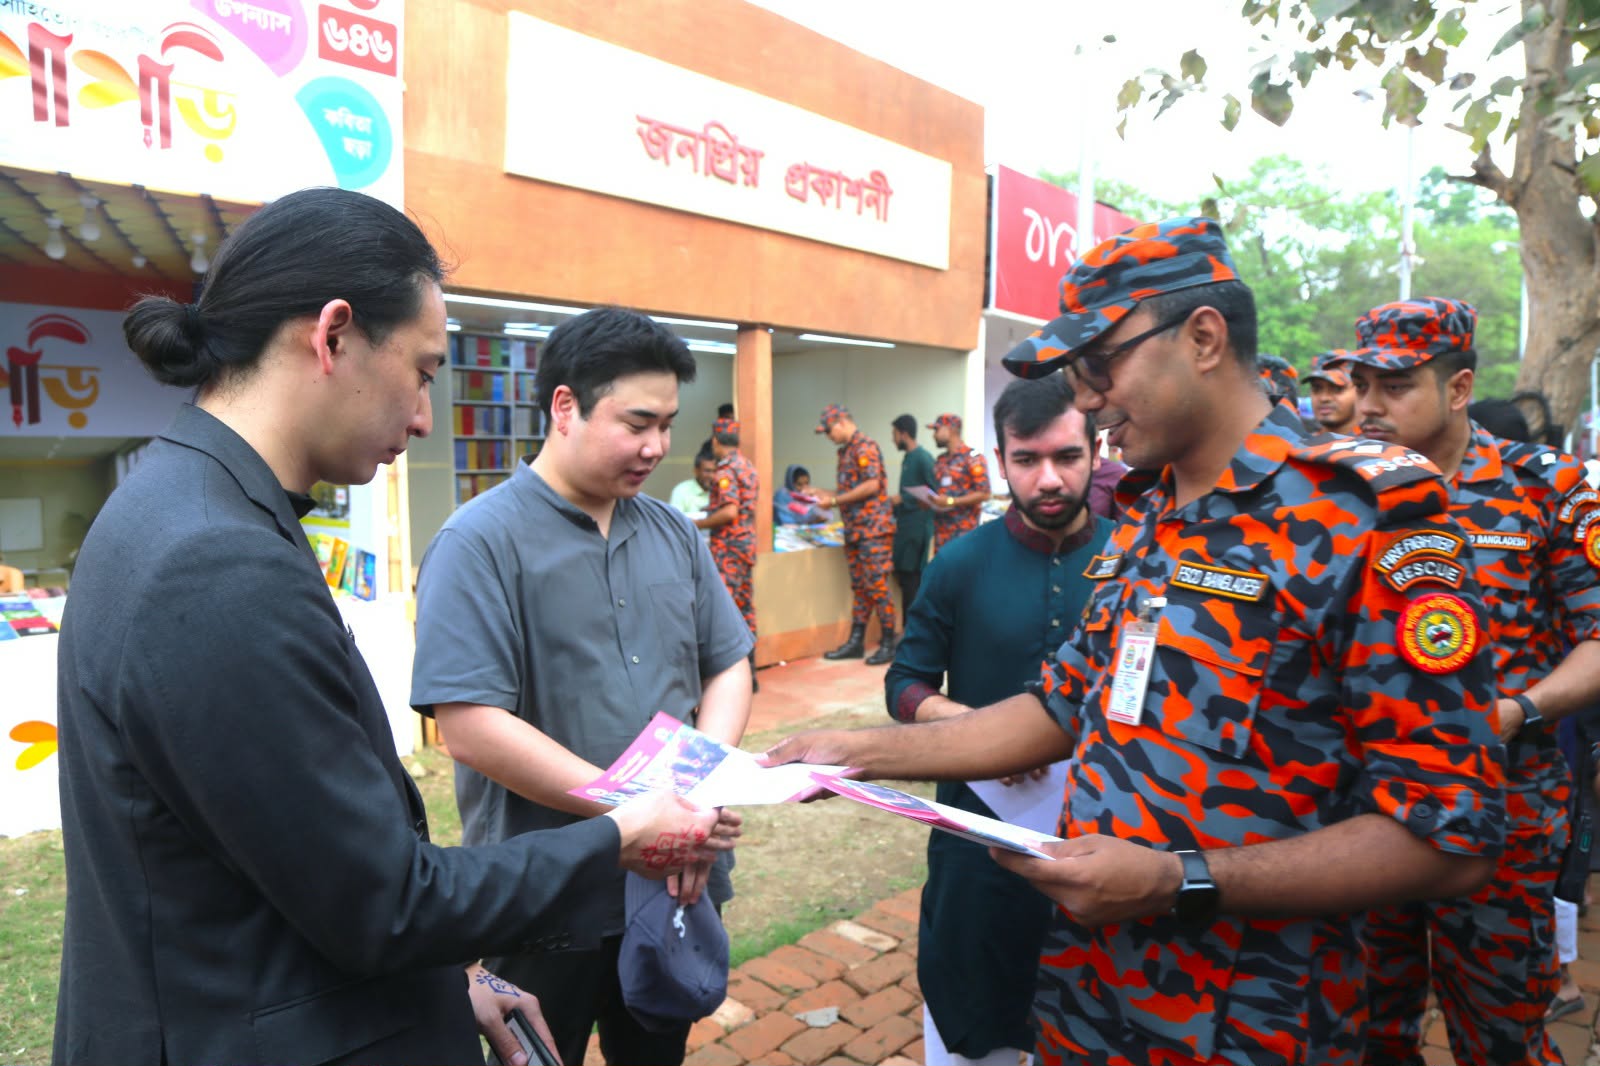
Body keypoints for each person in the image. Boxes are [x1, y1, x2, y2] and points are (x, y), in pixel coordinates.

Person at [765, 217, 1506, 1066]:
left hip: (1255, 1023)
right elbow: (1061, 705)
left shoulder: (1365, 520)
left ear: (1203, 338)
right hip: (1089, 999)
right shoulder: (1149, 516)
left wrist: (1175, 881)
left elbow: (1450, 839)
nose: (1086, 399)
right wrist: (854, 753)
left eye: (1099, 365)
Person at [52, 189, 725, 1066]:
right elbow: (388, 902)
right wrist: (620, 833)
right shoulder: (214, 560)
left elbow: (296, 856)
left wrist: (450, 982)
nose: (422, 416)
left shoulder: (186, 504)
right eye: (424, 371)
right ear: (333, 336)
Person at [411, 306, 754, 1066]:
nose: (657, 447)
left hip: (673, 887)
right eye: (637, 423)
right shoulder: (478, 542)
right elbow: (470, 725)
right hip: (546, 901)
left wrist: (694, 794)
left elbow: (728, 664)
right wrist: (636, 816)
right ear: (565, 406)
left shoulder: (673, 532)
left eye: (667, 424)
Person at [1344, 297, 1600, 1066]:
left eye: (1395, 386)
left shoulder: (1547, 487)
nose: (1369, 405)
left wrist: (1522, 709)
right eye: (1362, 384)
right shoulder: (1342, 492)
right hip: (1364, 810)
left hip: (1502, 814)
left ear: (1458, 388)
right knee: (1367, 1032)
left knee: (1501, 1037)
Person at [886, 376, 1112, 1066]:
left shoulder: (1136, 560)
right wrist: (979, 729)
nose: (1049, 479)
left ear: (1096, 451)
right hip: (978, 838)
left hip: (1108, 844)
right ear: (999, 459)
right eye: (1026, 459)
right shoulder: (960, 562)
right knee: (972, 1020)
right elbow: (905, 685)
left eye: (1067, 457)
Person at [811, 404, 898, 665]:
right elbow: (850, 491)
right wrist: (824, 493)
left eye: (829, 431)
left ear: (841, 422)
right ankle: (856, 642)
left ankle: (889, 642)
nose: (829, 437)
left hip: (873, 530)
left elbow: (871, 485)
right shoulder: (846, 451)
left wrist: (834, 501)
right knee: (860, 587)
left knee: (877, 585)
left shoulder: (864, 447)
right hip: (856, 530)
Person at [696, 416, 759, 681]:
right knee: (745, 608)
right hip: (745, 547)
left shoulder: (725, 470)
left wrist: (697, 523)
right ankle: (751, 672)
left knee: (726, 611)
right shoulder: (747, 466)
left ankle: (733, 676)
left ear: (715, 441)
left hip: (728, 549)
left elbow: (730, 511)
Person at [889, 413, 937, 611]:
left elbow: (935, 493)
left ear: (904, 434)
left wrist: (905, 499)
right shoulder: (908, 458)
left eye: (894, 434)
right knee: (902, 575)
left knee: (912, 579)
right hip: (904, 527)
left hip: (917, 528)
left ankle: (911, 626)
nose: (892, 439)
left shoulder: (923, 458)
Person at [926, 413, 991, 554]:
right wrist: (929, 501)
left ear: (951, 429)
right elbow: (939, 492)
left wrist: (951, 501)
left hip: (964, 535)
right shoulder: (941, 460)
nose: (934, 435)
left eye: (937, 430)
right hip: (941, 535)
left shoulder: (972, 457)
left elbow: (985, 493)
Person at [1307, 349, 1360, 435]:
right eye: (1317, 389)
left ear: (1360, 391)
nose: (1324, 398)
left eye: (1337, 389)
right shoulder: (1299, 442)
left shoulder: (1375, 442)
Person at [669, 442, 716, 516]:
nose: (712, 476)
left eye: (715, 471)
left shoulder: (720, 489)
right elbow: (675, 519)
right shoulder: (682, 490)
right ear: (696, 471)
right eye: (707, 471)